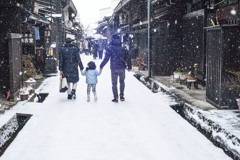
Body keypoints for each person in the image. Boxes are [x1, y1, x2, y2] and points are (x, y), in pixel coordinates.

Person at [100, 33, 132, 103]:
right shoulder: (123, 47)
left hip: (114, 67)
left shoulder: (110, 48)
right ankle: (122, 95)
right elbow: (128, 58)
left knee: (114, 83)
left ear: (113, 39)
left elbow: (106, 59)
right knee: (122, 81)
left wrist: (101, 66)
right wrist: (129, 67)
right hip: (122, 67)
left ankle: (116, 97)